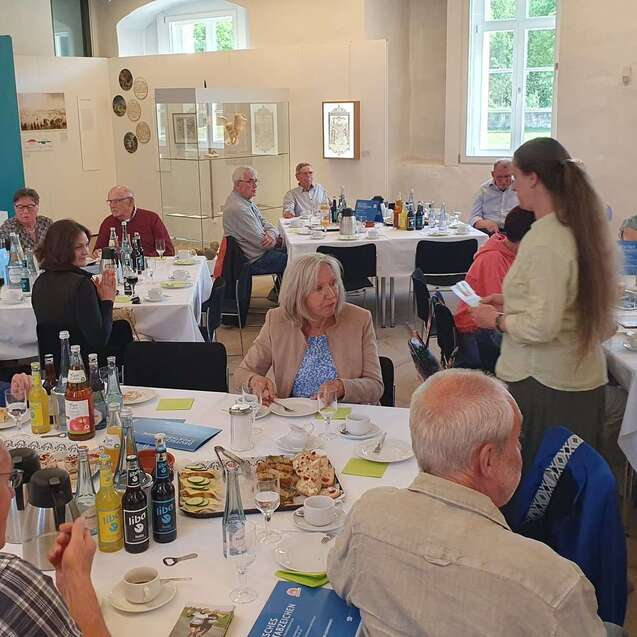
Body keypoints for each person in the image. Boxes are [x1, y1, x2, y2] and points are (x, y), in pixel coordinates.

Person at [327, 369, 615, 637]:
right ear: (487, 460)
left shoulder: (367, 516)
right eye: (517, 440)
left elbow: (342, 583)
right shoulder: (553, 584)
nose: (520, 450)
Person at [472, 138, 618, 467]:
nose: (514, 187)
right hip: (575, 378)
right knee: (568, 481)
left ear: (534, 178)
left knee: (543, 485)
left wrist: (495, 320)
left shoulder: (545, 238)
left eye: (517, 178)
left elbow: (543, 326)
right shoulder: (578, 225)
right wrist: (510, 300)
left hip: (547, 385)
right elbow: (566, 299)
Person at [233, 253, 383, 405]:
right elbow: (240, 375)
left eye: (333, 283)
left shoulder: (359, 319)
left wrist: (343, 387)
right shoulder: (277, 321)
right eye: (318, 288)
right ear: (298, 294)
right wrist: (254, 381)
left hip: (346, 414)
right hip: (294, 415)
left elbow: (375, 386)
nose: (332, 295)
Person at [0, 440, 110, 636]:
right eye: (8, 481)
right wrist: (78, 579)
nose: (12, 493)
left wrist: (69, 591)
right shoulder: (13, 583)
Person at [454, 206, 535, 372]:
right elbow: (495, 312)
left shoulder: (509, 252)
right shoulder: (493, 259)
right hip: (475, 332)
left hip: (485, 325)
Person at [32, 220, 116, 360]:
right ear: (62, 250)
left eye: (86, 245)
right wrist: (107, 301)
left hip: (53, 361)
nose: (86, 252)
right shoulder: (81, 285)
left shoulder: (40, 282)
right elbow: (99, 340)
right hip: (83, 362)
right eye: (79, 247)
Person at [222, 166, 287, 277]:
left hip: (260, 254)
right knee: (297, 260)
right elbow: (264, 244)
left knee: (292, 252)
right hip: (255, 260)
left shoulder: (245, 201)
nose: (255, 185)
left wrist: (272, 233)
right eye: (250, 181)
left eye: (256, 181)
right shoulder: (238, 208)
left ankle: (282, 287)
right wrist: (275, 239)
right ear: (237, 184)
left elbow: (264, 222)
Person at [93, 185, 174, 257]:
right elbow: (98, 250)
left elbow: (167, 250)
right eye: (110, 201)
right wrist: (98, 252)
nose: (112, 205)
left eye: (116, 201)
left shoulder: (151, 218)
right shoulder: (108, 222)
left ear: (130, 202)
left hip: (149, 265)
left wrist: (143, 259)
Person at [468, 159, 519, 234]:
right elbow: (473, 217)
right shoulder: (484, 190)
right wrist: (484, 223)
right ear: (493, 174)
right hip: (490, 231)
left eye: (507, 176)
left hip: (514, 231)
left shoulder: (520, 188)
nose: (503, 181)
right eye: (499, 177)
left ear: (512, 174)